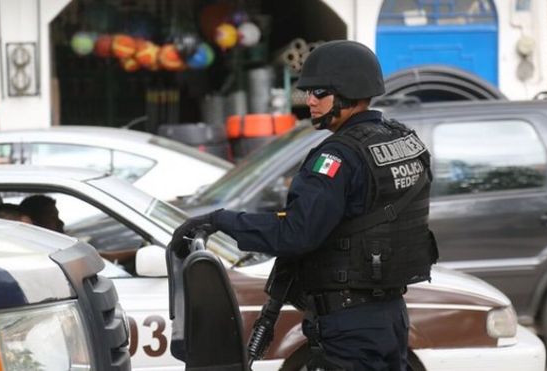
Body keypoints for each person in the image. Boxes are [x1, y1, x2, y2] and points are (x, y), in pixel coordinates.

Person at [170, 40, 438, 370]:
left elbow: (295, 234)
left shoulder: (338, 156)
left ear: (348, 92)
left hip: (349, 324)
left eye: (319, 93)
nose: (309, 100)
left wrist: (220, 221)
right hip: (390, 315)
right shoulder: (401, 139)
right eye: (308, 92)